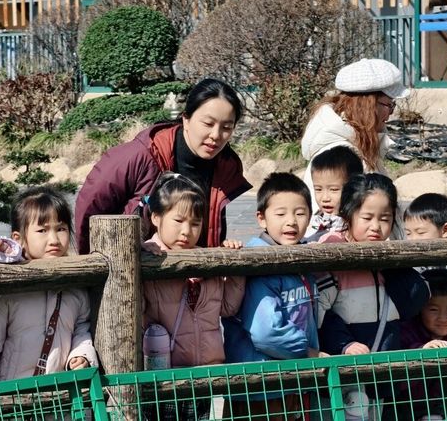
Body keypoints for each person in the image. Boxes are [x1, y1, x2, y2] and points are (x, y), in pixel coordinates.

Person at [74, 78, 252, 255]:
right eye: (208, 124)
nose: (216, 135)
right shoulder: (138, 156)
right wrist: (95, 265)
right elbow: (88, 210)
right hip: (128, 267)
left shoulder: (226, 167)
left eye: (226, 127)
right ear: (186, 119)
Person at [316, 173, 429, 419]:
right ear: (348, 214)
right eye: (367, 218)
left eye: (385, 218)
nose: (376, 227)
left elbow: (414, 301)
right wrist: (344, 344)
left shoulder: (390, 257)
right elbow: (318, 315)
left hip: (382, 375)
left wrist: (393, 263)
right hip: (342, 377)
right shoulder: (332, 253)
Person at [141, 172, 245, 420]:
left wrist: (235, 267)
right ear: (156, 217)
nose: (186, 231)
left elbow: (228, 308)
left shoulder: (208, 261)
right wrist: (139, 252)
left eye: (195, 223)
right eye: (178, 220)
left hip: (202, 376)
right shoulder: (148, 260)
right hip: (163, 378)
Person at [0, 186, 97, 384]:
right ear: (18, 239)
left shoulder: (75, 285)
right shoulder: (9, 289)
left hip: (58, 394)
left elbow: (81, 327)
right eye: (42, 230)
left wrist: (81, 353)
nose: (54, 239)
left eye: (61, 229)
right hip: (11, 396)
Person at [222, 172, 321, 420]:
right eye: (280, 214)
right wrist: (308, 352)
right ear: (261, 218)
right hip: (259, 384)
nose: (291, 222)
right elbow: (265, 332)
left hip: (290, 379)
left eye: (300, 213)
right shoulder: (259, 263)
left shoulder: (303, 260)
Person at [301, 58, 409, 213]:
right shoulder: (339, 153)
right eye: (389, 104)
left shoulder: (360, 144)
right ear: (367, 105)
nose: (391, 112)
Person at [399, 269, 447, 420]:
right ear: (419, 308)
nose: (443, 318)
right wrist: (421, 350)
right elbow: (398, 381)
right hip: (411, 408)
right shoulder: (406, 330)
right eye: (433, 309)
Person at [403, 193, 447, 311]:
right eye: (408, 233)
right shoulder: (415, 258)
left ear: (445, 230)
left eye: (421, 233)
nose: (412, 240)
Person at [304, 145, 363, 241]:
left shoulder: (357, 227)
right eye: (318, 189)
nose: (325, 198)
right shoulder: (311, 222)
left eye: (334, 189)